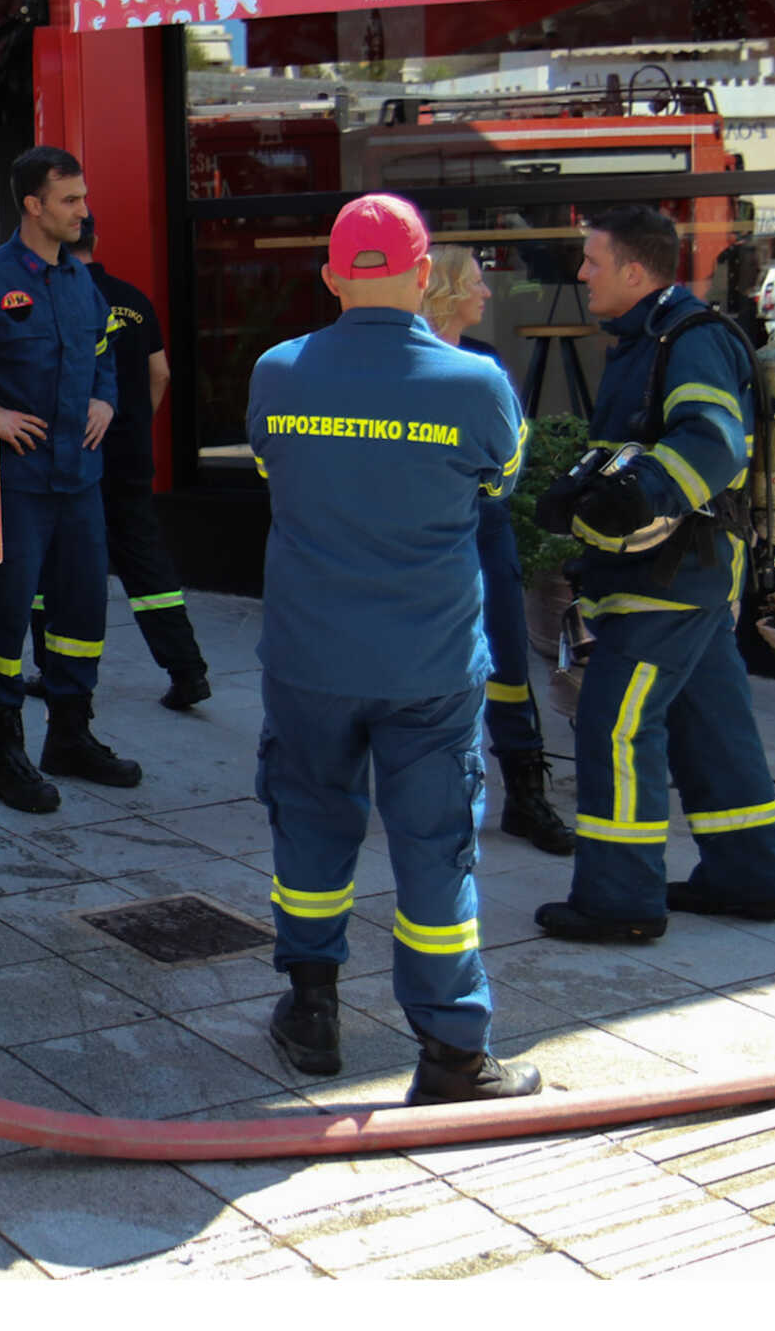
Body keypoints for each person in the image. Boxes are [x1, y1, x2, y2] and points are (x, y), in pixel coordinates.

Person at [247, 195, 541, 1106]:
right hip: (428, 666)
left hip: (309, 659)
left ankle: (312, 1010)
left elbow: (270, 468)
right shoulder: (477, 384)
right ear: (424, 276)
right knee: (434, 849)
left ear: (332, 277)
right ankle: (453, 1052)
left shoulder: (278, 374)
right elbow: (502, 478)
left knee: (310, 825)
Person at [532, 205, 775, 942]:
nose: (582, 273)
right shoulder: (651, 336)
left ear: (635, 271)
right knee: (713, 724)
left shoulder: (688, 339)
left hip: (668, 577)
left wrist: (640, 494)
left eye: (592, 260)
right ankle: (747, 877)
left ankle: (621, 900)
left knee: (615, 724)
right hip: (688, 576)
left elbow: (712, 441)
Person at [0, 146, 143, 813]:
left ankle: (70, 736)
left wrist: (107, 398)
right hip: (18, 486)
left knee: (80, 615)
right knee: (6, 620)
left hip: (80, 482)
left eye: (83, 197)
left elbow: (103, 353)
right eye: (69, 200)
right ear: (33, 206)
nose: (83, 210)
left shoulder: (81, 280)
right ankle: (3, 754)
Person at [422, 248, 573, 856]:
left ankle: (525, 794)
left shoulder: (484, 362)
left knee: (507, 663)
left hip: (486, 530)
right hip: (428, 538)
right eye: (477, 284)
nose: (487, 295)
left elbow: (509, 454)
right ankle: (436, 794)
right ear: (448, 292)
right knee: (427, 669)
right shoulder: (410, 363)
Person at [29, 219, 213, 711]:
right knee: (148, 566)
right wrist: (133, 425)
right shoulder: (134, 300)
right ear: (97, 240)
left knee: (51, 570)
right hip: (129, 455)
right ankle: (187, 670)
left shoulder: (54, 298)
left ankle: (53, 671)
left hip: (71, 458)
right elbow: (161, 372)